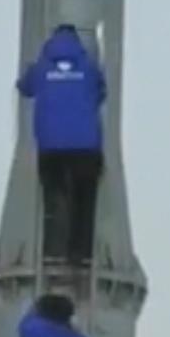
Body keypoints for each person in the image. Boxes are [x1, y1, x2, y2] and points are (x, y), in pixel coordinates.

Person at [17, 24, 107, 266]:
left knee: (54, 195)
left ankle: (54, 251)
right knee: (85, 197)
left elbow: (24, 87)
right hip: (87, 147)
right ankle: (82, 254)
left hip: (51, 146)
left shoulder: (42, 67)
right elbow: (101, 91)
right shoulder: (88, 66)